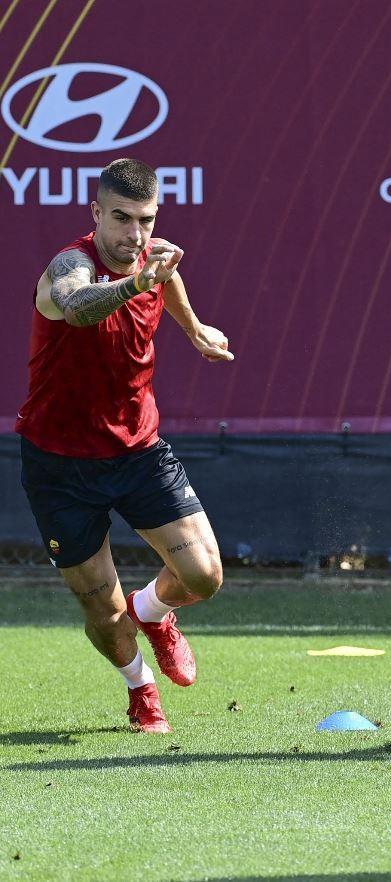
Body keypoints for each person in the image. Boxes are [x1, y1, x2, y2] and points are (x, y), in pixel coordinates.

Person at [17, 158, 234, 734]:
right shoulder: (67, 267)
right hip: (59, 464)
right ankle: (141, 689)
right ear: (95, 213)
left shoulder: (153, 258)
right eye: (120, 219)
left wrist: (195, 331)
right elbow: (78, 307)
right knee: (101, 613)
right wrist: (138, 281)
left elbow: (167, 280)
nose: (133, 234)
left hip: (139, 450)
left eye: (145, 219)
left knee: (205, 576)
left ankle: (155, 614)